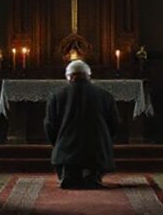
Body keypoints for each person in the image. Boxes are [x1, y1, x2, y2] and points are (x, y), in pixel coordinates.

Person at [44, 60, 119, 189]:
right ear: (88, 76)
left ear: (69, 77)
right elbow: (114, 123)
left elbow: (49, 125)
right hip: (97, 151)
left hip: (66, 151)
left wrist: (57, 144)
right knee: (95, 154)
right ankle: (92, 176)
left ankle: (69, 175)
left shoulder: (57, 96)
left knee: (67, 156)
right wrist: (106, 142)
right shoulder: (105, 95)